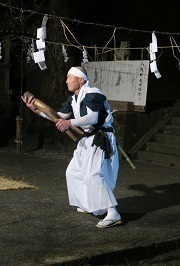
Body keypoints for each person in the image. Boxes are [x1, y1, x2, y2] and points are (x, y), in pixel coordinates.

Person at [21, 66, 121, 228]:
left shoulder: (93, 93)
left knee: (92, 175)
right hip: (87, 139)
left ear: (81, 80)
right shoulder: (74, 98)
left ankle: (112, 212)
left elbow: (92, 117)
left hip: (100, 138)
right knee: (73, 172)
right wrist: (36, 110)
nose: (66, 80)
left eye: (69, 77)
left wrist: (70, 123)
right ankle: (89, 204)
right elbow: (58, 117)